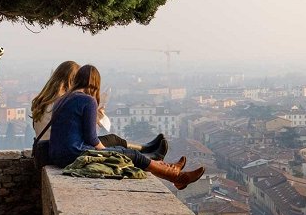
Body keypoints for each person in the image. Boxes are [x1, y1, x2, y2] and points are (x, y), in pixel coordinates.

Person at [49, 65, 204, 190]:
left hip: (57, 154)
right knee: (130, 155)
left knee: (120, 148)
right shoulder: (87, 100)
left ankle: (170, 169)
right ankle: (176, 177)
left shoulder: (62, 99)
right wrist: (108, 153)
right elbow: (91, 138)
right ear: (95, 82)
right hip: (72, 154)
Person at [31, 60, 167, 158]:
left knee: (113, 140)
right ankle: (148, 153)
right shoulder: (64, 100)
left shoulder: (43, 99)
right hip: (60, 148)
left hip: (51, 147)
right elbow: (88, 135)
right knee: (115, 145)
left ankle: (146, 148)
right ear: (72, 79)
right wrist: (96, 116)